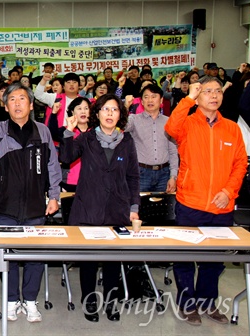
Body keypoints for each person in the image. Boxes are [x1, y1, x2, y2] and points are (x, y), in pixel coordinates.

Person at [0, 83, 62, 323]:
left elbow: (52, 165)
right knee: (6, 256)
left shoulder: (42, 131)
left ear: (31, 105)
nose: (17, 103)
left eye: (22, 99)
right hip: (4, 207)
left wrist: (54, 195)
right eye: (12, 100)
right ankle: (10, 301)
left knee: (34, 257)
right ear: (5, 106)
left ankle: (30, 301)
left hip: (34, 206)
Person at [165, 77, 248, 326]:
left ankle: (208, 302)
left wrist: (228, 191)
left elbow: (240, 163)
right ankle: (187, 304)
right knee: (185, 258)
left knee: (213, 261)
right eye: (207, 91)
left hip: (221, 206)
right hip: (190, 203)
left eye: (218, 91)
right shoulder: (187, 124)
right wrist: (188, 97)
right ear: (198, 95)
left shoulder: (232, 128)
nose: (214, 95)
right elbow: (170, 127)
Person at [60, 93, 140, 323]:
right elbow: (66, 157)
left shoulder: (126, 141)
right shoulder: (86, 139)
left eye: (114, 110)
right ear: (97, 114)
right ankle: (90, 301)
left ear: (120, 115)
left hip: (117, 210)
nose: (109, 114)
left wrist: (134, 206)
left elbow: (134, 177)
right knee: (89, 261)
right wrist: (68, 130)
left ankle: (112, 303)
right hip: (89, 209)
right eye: (105, 109)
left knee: (113, 260)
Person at [124, 84, 178, 192]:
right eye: (146, 97)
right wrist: (126, 106)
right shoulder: (134, 119)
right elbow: (121, 126)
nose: (150, 100)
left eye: (154, 96)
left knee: (162, 208)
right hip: (141, 173)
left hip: (164, 174)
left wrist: (173, 177)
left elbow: (173, 151)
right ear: (141, 101)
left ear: (161, 100)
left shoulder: (169, 122)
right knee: (139, 207)